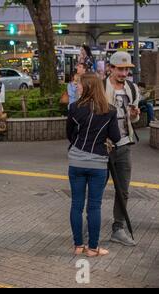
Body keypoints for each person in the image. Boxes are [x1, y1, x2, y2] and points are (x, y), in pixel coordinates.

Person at [67, 73, 121, 258]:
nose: (77, 87)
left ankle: (78, 246)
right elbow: (116, 137)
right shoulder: (110, 110)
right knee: (94, 206)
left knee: (76, 204)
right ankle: (93, 248)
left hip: (76, 161)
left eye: (79, 85)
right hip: (98, 163)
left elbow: (70, 134)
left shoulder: (74, 108)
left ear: (88, 86)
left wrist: (79, 142)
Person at [104, 51, 141, 247]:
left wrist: (134, 114)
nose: (124, 73)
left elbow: (133, 119)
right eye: (120, 69)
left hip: (125, 144)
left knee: (123, 190)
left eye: (127, 69)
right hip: (103, 147)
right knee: (96, 189)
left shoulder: (132, 89)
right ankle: (90, 226)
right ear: (111, 68)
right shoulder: (101, 87)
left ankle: (118, 228)